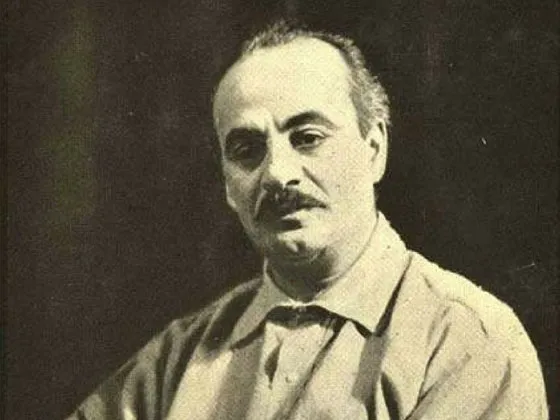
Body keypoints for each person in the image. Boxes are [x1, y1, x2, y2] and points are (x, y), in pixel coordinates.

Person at [66, 21, 548, 419]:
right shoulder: (176, 359)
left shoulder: (466, 342)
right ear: (228, 186)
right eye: (247, 150)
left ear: (374, 149)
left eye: (308, 137)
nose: (277, 174)